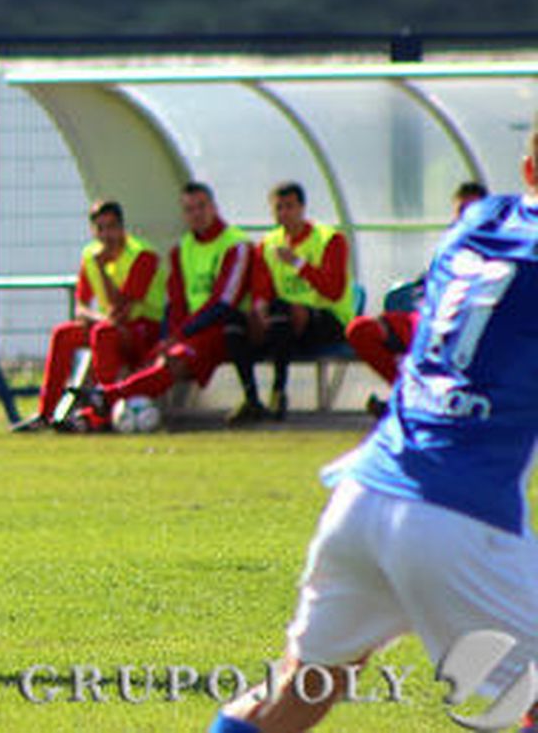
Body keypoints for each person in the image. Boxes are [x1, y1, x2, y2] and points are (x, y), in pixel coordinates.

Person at [207, 129, 538, 733]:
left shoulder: (478, 223)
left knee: (293, 693)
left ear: (528, 171)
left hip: (365, 494)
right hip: (458, 516)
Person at [73, 182, 256, 428]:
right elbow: (177, 302)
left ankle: (105, 398)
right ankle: (88, 416)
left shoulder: (236, 244)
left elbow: (223, 304)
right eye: (190, 209)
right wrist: (170, 336)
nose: (197, 214)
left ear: (214, 207)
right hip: (190, 330)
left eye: (201, 207)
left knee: (170, 360)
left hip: (225, 328)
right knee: (152, 357)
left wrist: (178, 335)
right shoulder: (181, 249)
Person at [19, 199, 164, 431]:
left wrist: (103, 272)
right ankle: (45, 414)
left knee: (103, 332)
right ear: (93, 230)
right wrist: (93, 316)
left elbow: (122, 307)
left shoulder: (142, 255)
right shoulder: (90, 255)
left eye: (112, 227)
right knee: (64, 334)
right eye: (100, 228)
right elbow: (80, 307)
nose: (107, 234)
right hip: (112, 326)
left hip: (145, 330)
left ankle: (103, 411)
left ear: (122, 227)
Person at [346, 181, 487, 414]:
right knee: (361, 329)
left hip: (465, 325)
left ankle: (417, 402)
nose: (464, 219)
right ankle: (408, 395)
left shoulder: (502, 250)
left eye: (472, 211)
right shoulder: (448, 248)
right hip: (425, 320)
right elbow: (427, 288)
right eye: (460, 212)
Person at [226, 182, 355, 423]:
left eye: (290, 207)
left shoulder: (330, 239)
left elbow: (334, 291)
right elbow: (261, 287)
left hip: (329, 321)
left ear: (302, 208)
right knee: (234, 323)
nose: (284, 213)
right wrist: (259, 307)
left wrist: (298, 264)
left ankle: (279, 392)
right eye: (278, 208)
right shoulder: (269, 243)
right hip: (284, 324)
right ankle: (251, 398)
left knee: (282, 313)